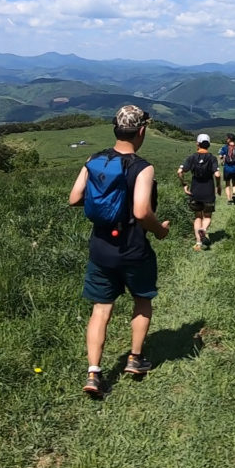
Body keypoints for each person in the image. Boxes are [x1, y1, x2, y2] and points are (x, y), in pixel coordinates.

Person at [68, 104, 170, 397]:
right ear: (141, 131)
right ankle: (135, 359)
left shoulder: (94, 159)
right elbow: (141, 211)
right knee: (142, 299)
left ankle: (94, 373)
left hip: (100, 247)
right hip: (133, 247)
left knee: (101, 309)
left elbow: (74, 198)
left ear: (116, 129)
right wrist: (160, 230)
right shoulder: (142, 167)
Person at [177, 133, 221, 251]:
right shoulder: (212, 158)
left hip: (195, 191)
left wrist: (184, 184)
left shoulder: (191, 157)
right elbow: (217, 174)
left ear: (197, 143)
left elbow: (180, 172)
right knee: (207, 216)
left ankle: (198, 243)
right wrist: (218, 186)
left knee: (197, 217)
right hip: (208, 191)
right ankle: (204, 230)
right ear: (209, 145)